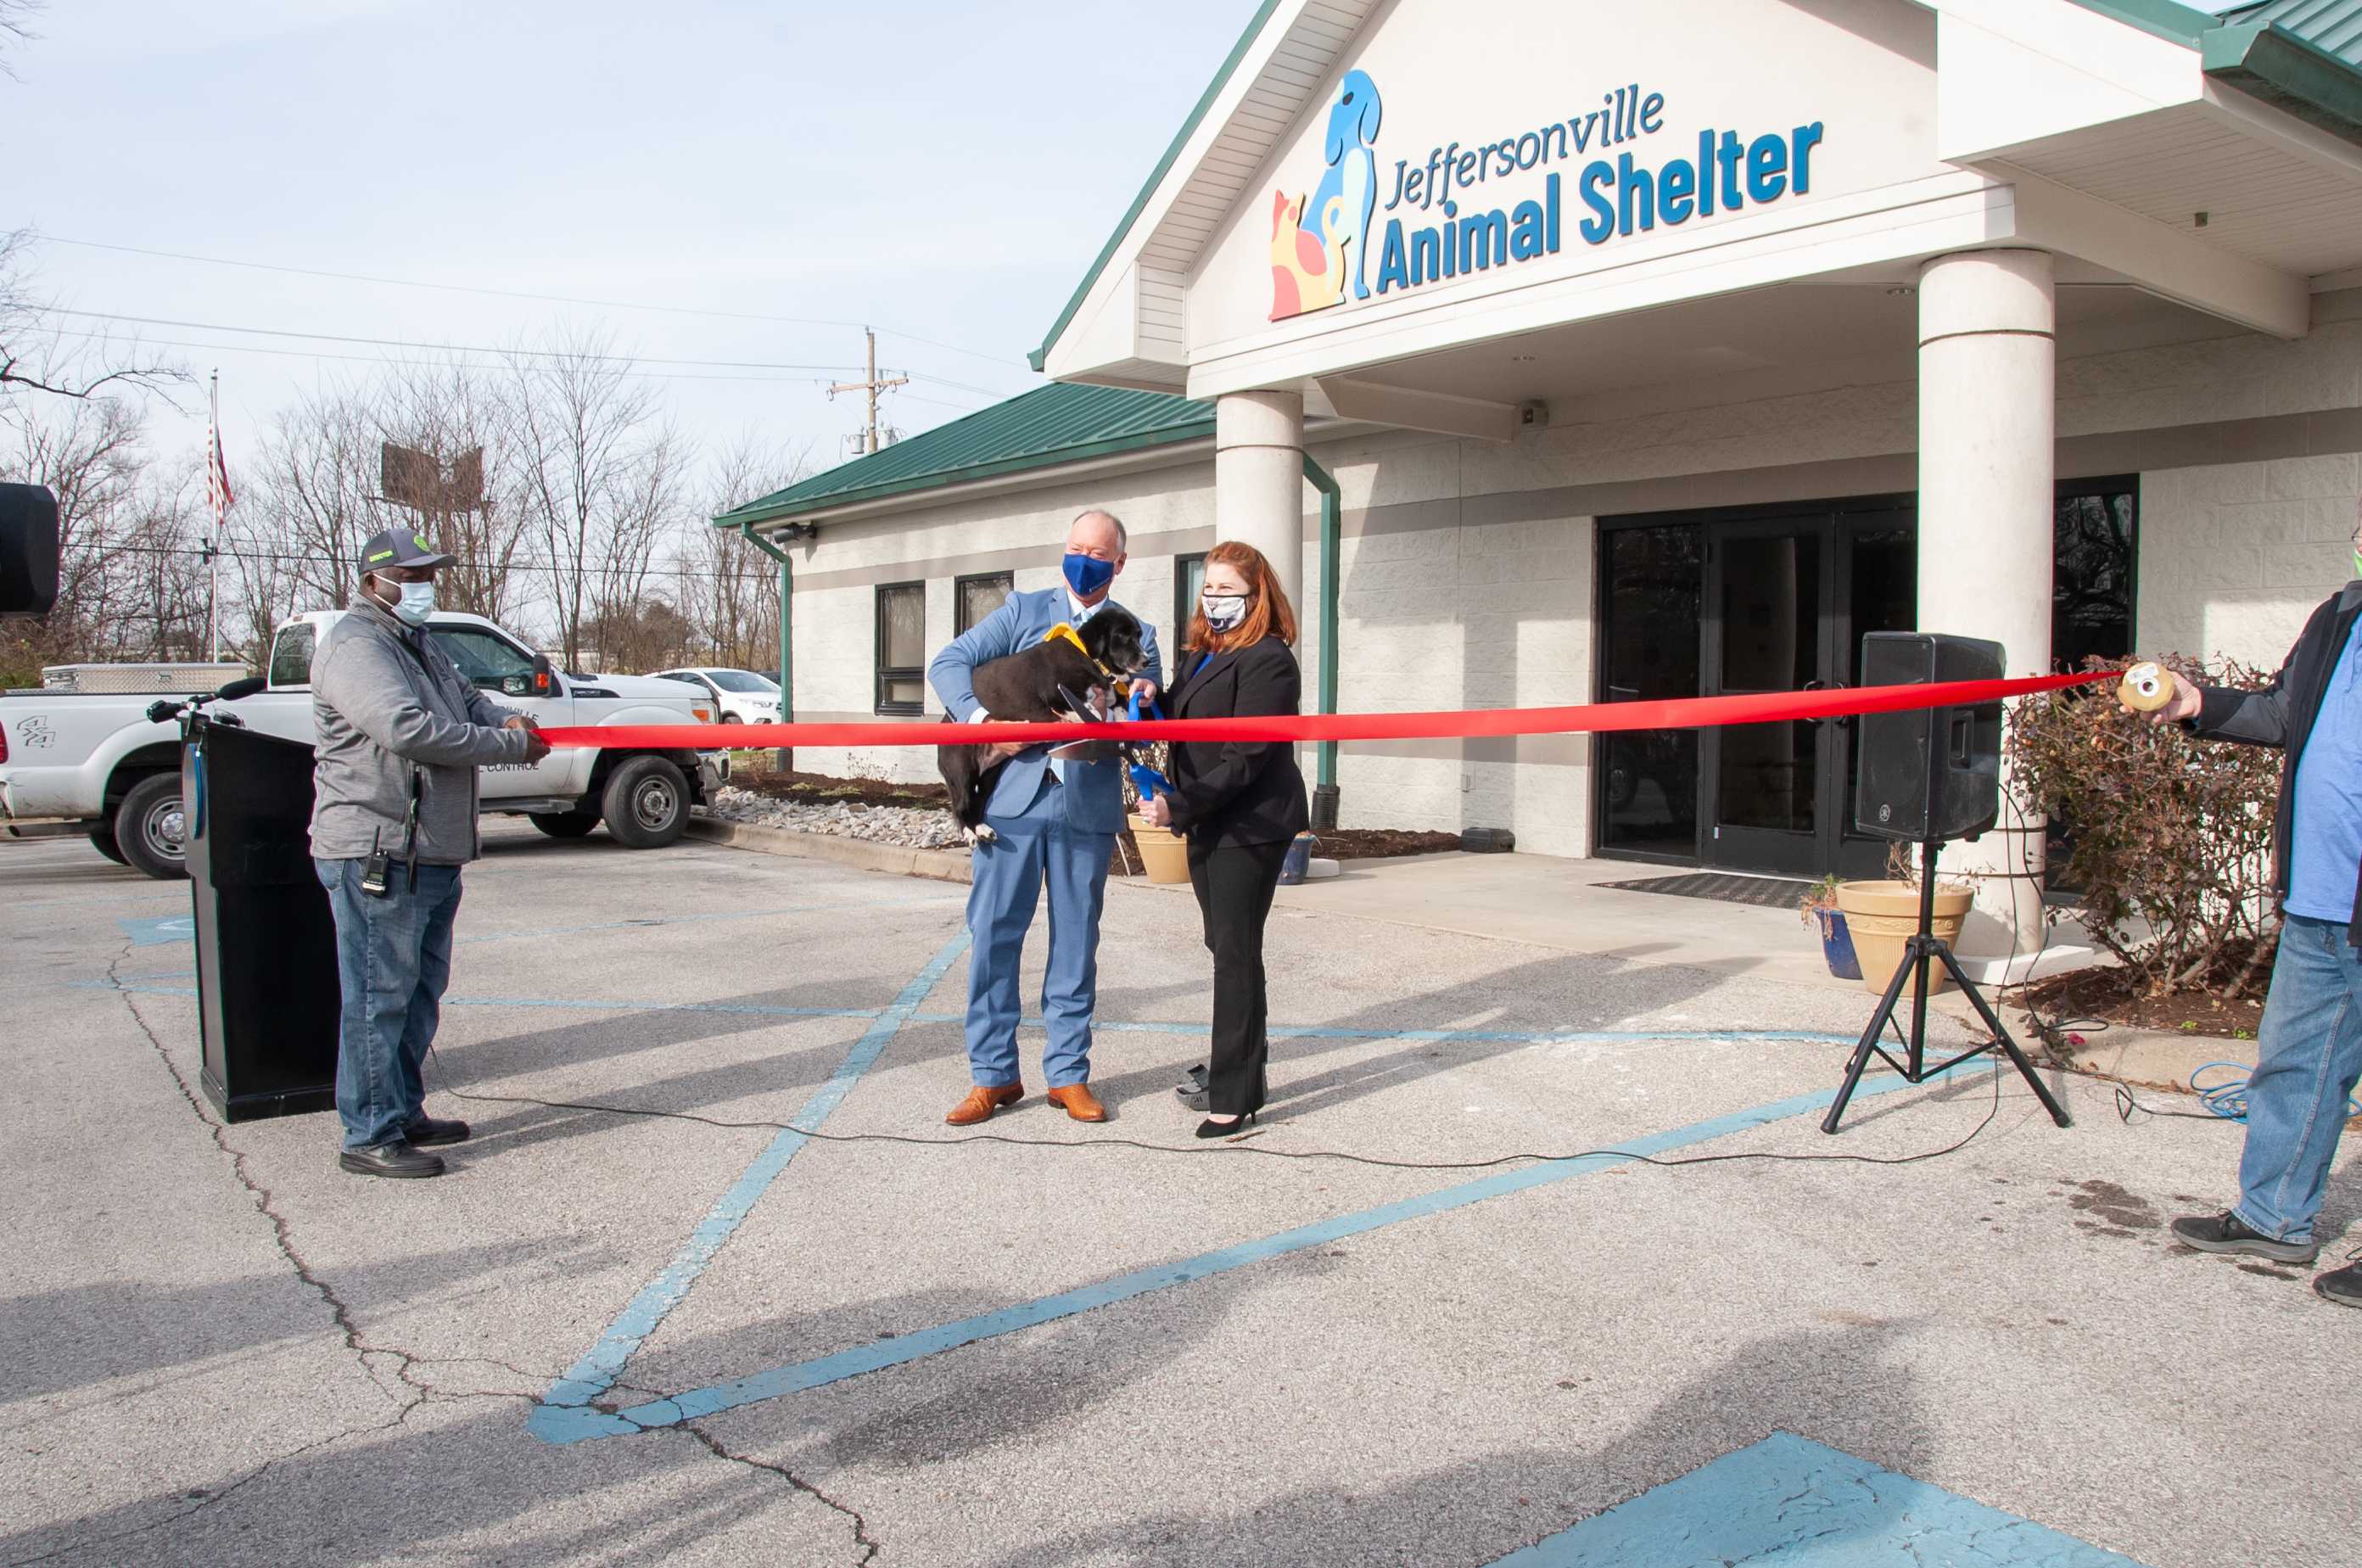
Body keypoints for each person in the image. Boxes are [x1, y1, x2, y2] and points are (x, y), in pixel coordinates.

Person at [2130, 519, 2361, 1309]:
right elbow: (2282, 715)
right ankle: (2273, 1217)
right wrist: (2198, 702)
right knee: (2297, 1064)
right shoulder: (2339, 615)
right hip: (2317, 901)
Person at [311, 528, 550, 1179]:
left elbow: (469, 702)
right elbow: (405, 729)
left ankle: (400, 1109)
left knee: (417, 994)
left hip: (430, 852)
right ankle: (368, 1134)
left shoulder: (418, 644)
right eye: (410, 577)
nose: (423, 588)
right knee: (377, 996)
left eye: (428, 576)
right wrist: (509, 747)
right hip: (379, 850)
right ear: (373, 583)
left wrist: (507, 719)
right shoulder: (356, 647)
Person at [928, 509, 1162, 1125]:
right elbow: (948, 666)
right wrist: (983, 727)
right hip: (1010, 803)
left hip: (1085, 806)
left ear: (1119, 563)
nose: (1085, 560)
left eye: (1098, 552)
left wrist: (1143, 698)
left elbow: (1148, 703)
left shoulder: (1138, 634)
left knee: (1076, 943)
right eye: (1076, 548)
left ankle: (1068, 1074)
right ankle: (993, 1076)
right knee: (994, 938)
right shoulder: (1021, 612)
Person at [1136, 542, 1309, 1136]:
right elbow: (1186, 724)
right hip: (1210, 819)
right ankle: (1241, 1070)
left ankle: (1234, 1096)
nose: (1214, 600)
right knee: (1226, 945)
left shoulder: (1269, 661)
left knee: (1234, 953)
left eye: (1227, 590)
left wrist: (1177, 805)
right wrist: (1151, 701)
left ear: (1257, 596)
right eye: (1208, 589)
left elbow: (1247, 758)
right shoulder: (1206, 654)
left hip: (1250, 823)